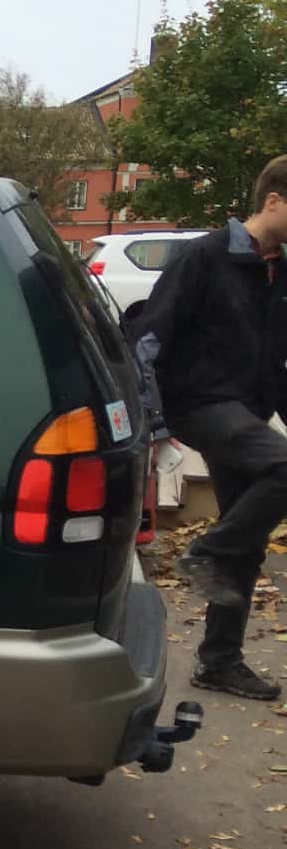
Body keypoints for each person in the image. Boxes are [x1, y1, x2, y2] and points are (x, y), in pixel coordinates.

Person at [133, 154, 287, 700]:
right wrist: (152, 426)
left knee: (247, 540)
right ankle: (207, 552)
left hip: (246, 413)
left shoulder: (279, 269)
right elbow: (148, 339)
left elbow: (280, 357)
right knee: (282, 471)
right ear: (273, 201)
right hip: (200, 404)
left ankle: (220, 660)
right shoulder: (205, 256)